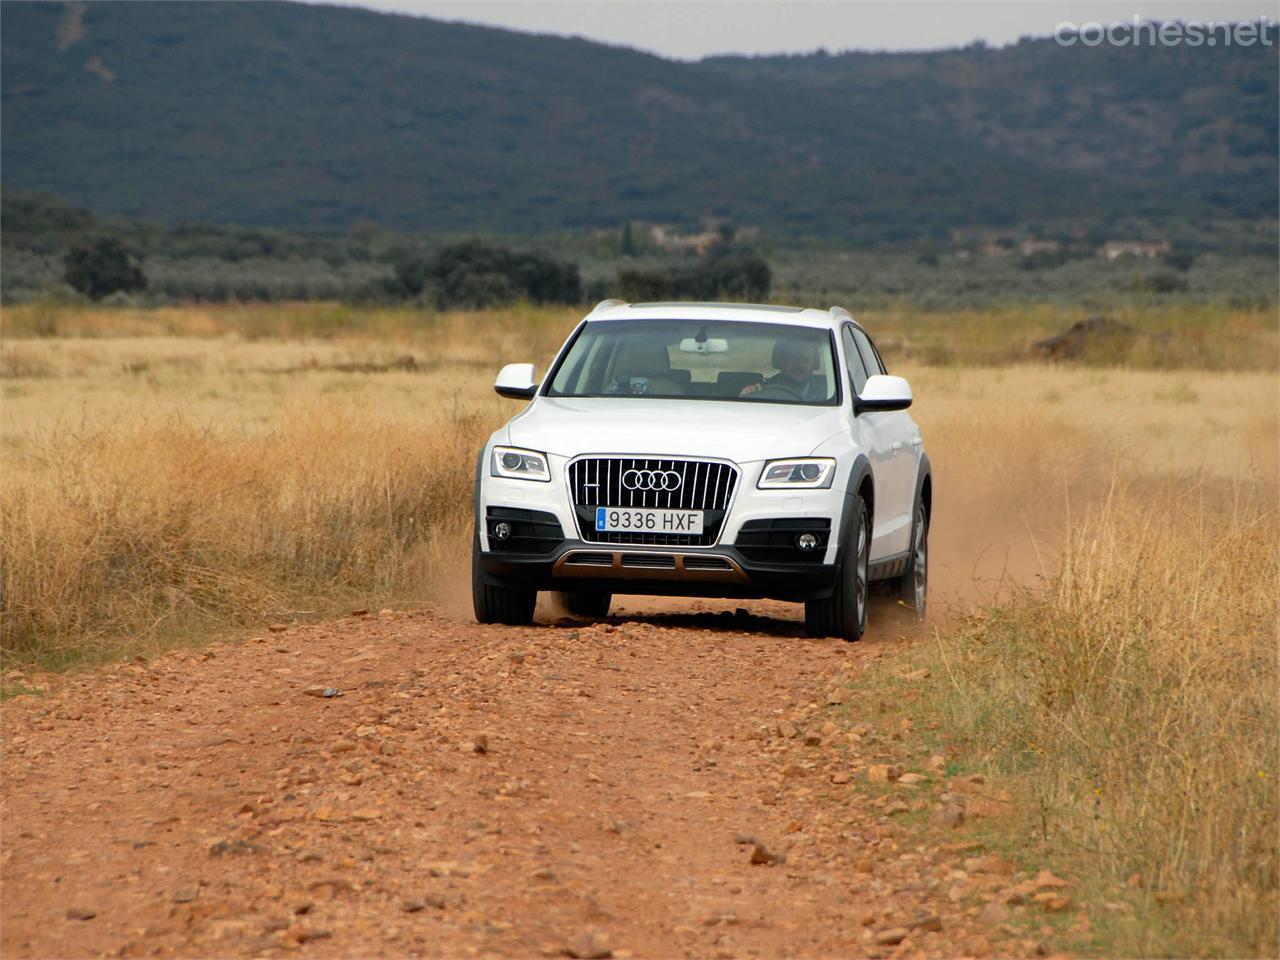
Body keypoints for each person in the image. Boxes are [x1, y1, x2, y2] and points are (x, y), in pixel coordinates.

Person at [740, 339, 822, 400]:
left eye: (806, 360)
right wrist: (744, 397)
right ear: (782, 360)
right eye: (794, 358)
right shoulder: (761, 390)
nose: (800, 365)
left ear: (814, 364)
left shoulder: (826, 395)